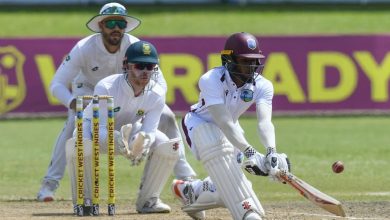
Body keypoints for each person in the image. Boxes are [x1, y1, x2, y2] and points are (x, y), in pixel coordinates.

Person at [37, 2, 196, 202]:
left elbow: (160, 84)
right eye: (111, 23)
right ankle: (48, 186)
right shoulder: (84, 47)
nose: (116, 28)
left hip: (128, 90)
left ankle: (186, 179)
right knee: (74, 124)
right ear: (101, 25)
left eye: (121, 24)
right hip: (89, 91)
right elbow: (57, 84)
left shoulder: (135, 45)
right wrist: (71, 102)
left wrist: (150, 100)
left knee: (167, 116)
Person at [171, 32, 291, 220]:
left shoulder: (263, 85)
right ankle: (247, 214)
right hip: (199, 125)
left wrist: (271, 152)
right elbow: (223, 121)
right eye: (245, 61)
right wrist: (251, 152)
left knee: (227, 183)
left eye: (254, 61)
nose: (251, 67)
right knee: (217, 150)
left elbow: (264, 122)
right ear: (229, 59)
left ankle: (189, 191)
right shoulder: (210, 79)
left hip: (232, 132)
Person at [66, 40, 178, 214]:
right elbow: (100, 130)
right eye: (140, 65)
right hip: (92, 128)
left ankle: (148, 201)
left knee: (166, 144)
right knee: (80, 142)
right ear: (126, 65)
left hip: (129, 129)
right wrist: (121, 144)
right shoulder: (107, 86)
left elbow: (149, 130)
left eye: (150, 66)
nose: (145, 72)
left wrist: (142, 143)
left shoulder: (157, 93)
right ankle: (85, 201)